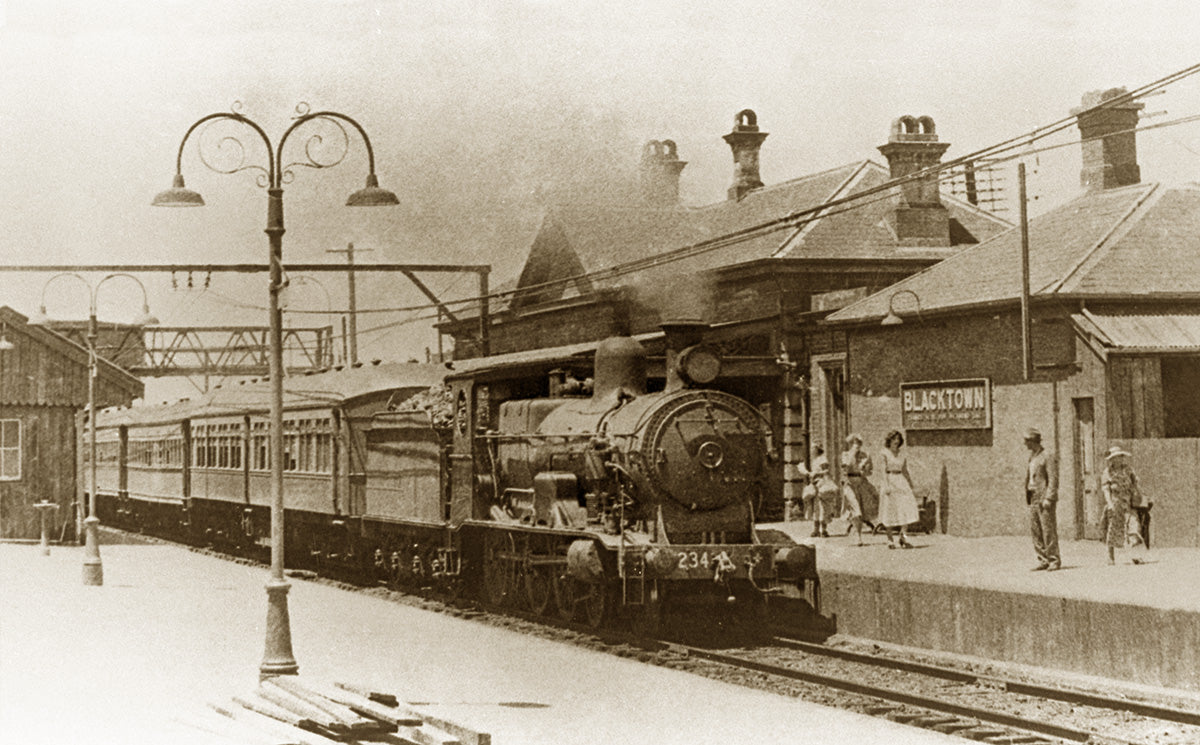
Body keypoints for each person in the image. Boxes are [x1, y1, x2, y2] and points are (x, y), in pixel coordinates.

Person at [1101, 445, 1150, 566]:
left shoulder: (1128, 470)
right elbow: (1106, 490)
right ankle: (1110, 556)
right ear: (1111, 459)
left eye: (1120, 457)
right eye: (1116, 457)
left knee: (1134, 526)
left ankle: (1136, 555)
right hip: (1115, 503)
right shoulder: (1107, 472)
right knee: (1113, 529)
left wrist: (1139, 495)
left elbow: (1135, 484)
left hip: (1128, 503)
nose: (1118, 459)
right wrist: (1110, 503)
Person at [1023, 427, 1060, 571]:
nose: (1025, 444)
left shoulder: (1047, 456)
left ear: (1033, 441)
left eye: (1026, 441)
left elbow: (1053, 479)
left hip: (1044, 497)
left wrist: (1049, 498)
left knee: (1048, 529)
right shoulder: (1032, 457)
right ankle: (1042, 559)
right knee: (1036, 529)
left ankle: (1054, 560)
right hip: (1033, 496)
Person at [877, 430, 918, 548]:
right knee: (889, 510)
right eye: (894, 439)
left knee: (906, 509)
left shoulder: (902, 454)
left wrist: (910, 484)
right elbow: (883, 471)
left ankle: (903, 537)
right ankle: (890, 539)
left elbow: (904, 470)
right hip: (889, 480)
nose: (896, 441)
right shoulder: (884, 453)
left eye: (898, 439)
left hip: (901, 481)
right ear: (889, 440)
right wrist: (887, 486)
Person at [840, 433, 876, 545]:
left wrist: (865, 467)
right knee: (857, 511)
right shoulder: (846, 455)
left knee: (862, 511)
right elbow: (845, 470)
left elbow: (869, 472)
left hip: (861, 484)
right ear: (850, 444)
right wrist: (853, 456)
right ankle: (858, 536)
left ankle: (858, 534)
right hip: (849, 484)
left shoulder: (865, 456)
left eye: (859, 443)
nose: (857, 446)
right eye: (855, 443)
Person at [810, 453, 839, 538]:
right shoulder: (814, 459)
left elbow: (826, 471)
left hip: (823, 486)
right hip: (816, 486)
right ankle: (816, 530)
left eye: (814, 448)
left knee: (823, 509)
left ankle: (823, 530)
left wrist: (816, 474)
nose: (812, 450)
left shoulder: (822, 458)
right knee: (816, 510)